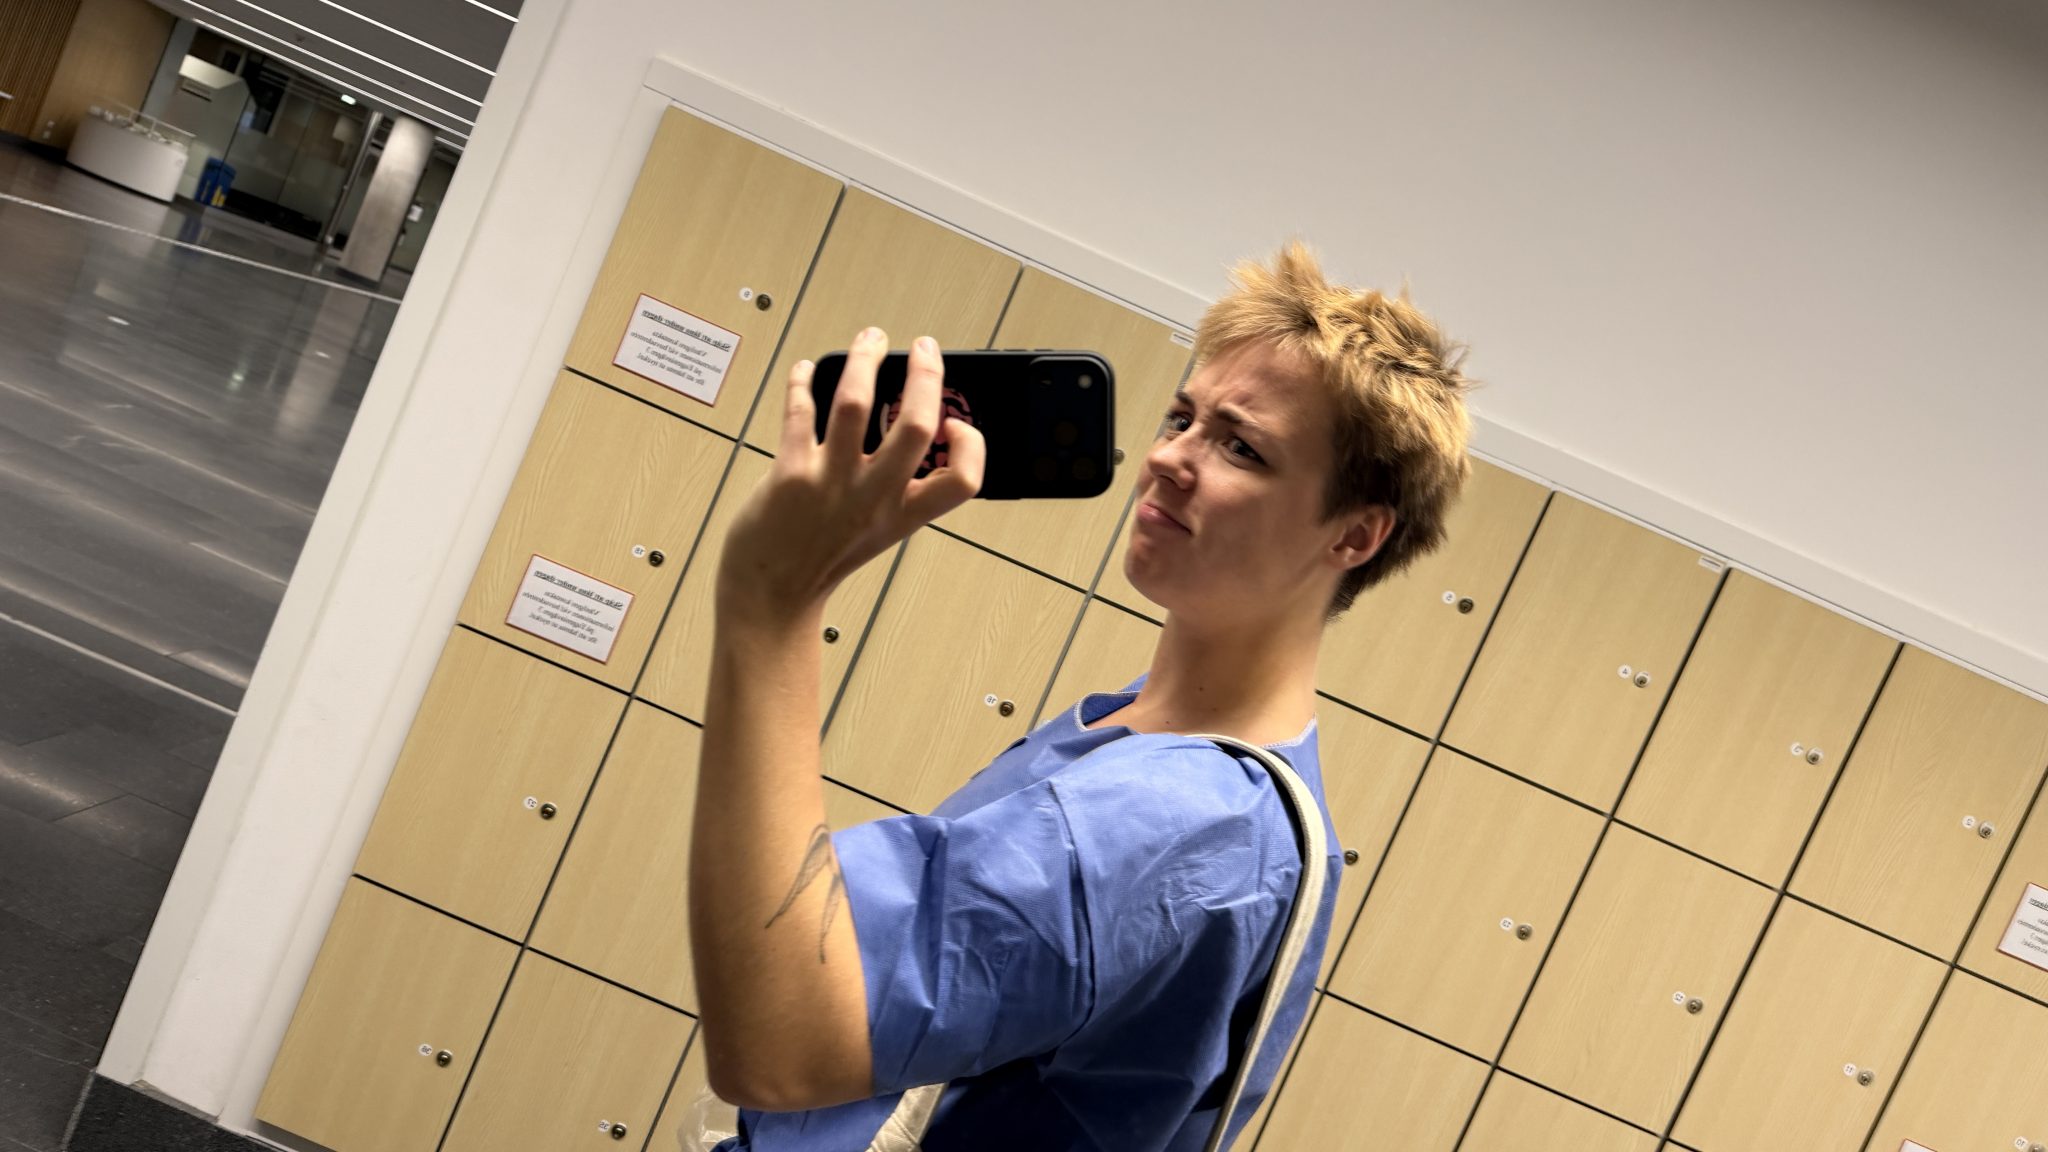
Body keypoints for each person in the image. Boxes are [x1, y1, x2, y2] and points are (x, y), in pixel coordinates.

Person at [688, 242, 1474, 1150]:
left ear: (1354, 537)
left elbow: (782, 1040)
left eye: (1241, 447)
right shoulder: (1145, 737)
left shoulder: (1183, 817)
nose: (1170, 457)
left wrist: (771, 604)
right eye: (1181, 416)